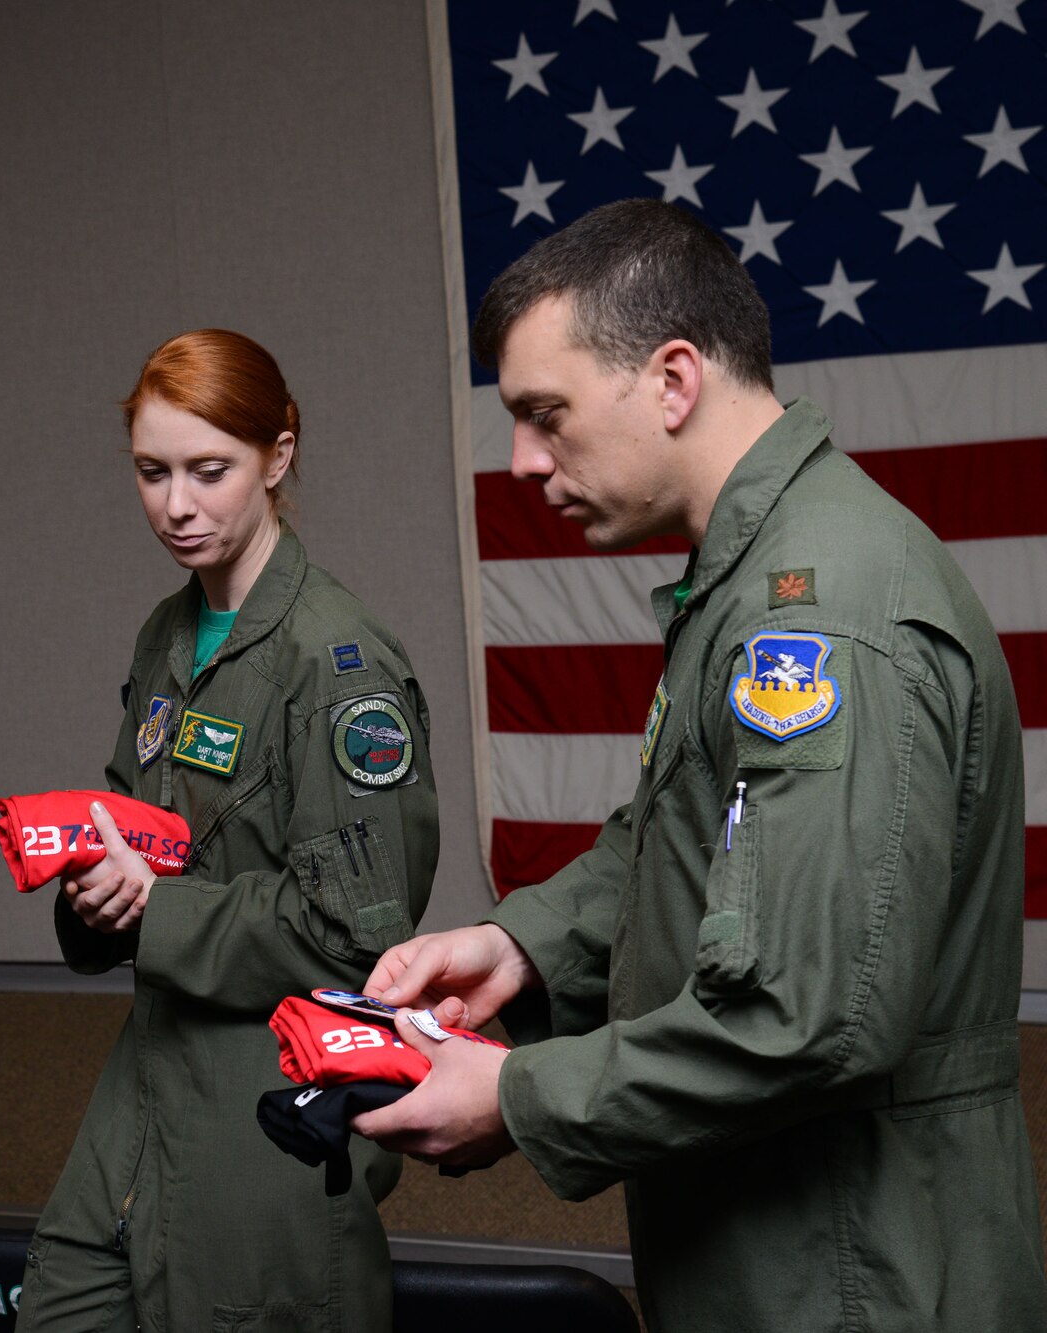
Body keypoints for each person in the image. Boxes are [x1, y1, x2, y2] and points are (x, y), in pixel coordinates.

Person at [355, 199, 1047, 1332]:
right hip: (784, 1253)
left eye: (544, 414)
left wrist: (516, 1095)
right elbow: (683, 837)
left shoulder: (818, 615)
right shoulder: (754, 580)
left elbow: (807, 1018)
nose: (523, 460)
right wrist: (516, 948)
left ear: (671, 380)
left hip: (848, 1269)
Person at [16, 329, 442, 1331]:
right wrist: (93, 881)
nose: (175, 504)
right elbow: (131, 815)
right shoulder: (166, 631)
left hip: (277, 1076)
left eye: (209, 470)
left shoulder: (336, 661)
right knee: (64, 1303)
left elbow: (354, 932)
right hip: (151, 1060)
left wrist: (152, 911)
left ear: (277, 456)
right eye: (150, 471)